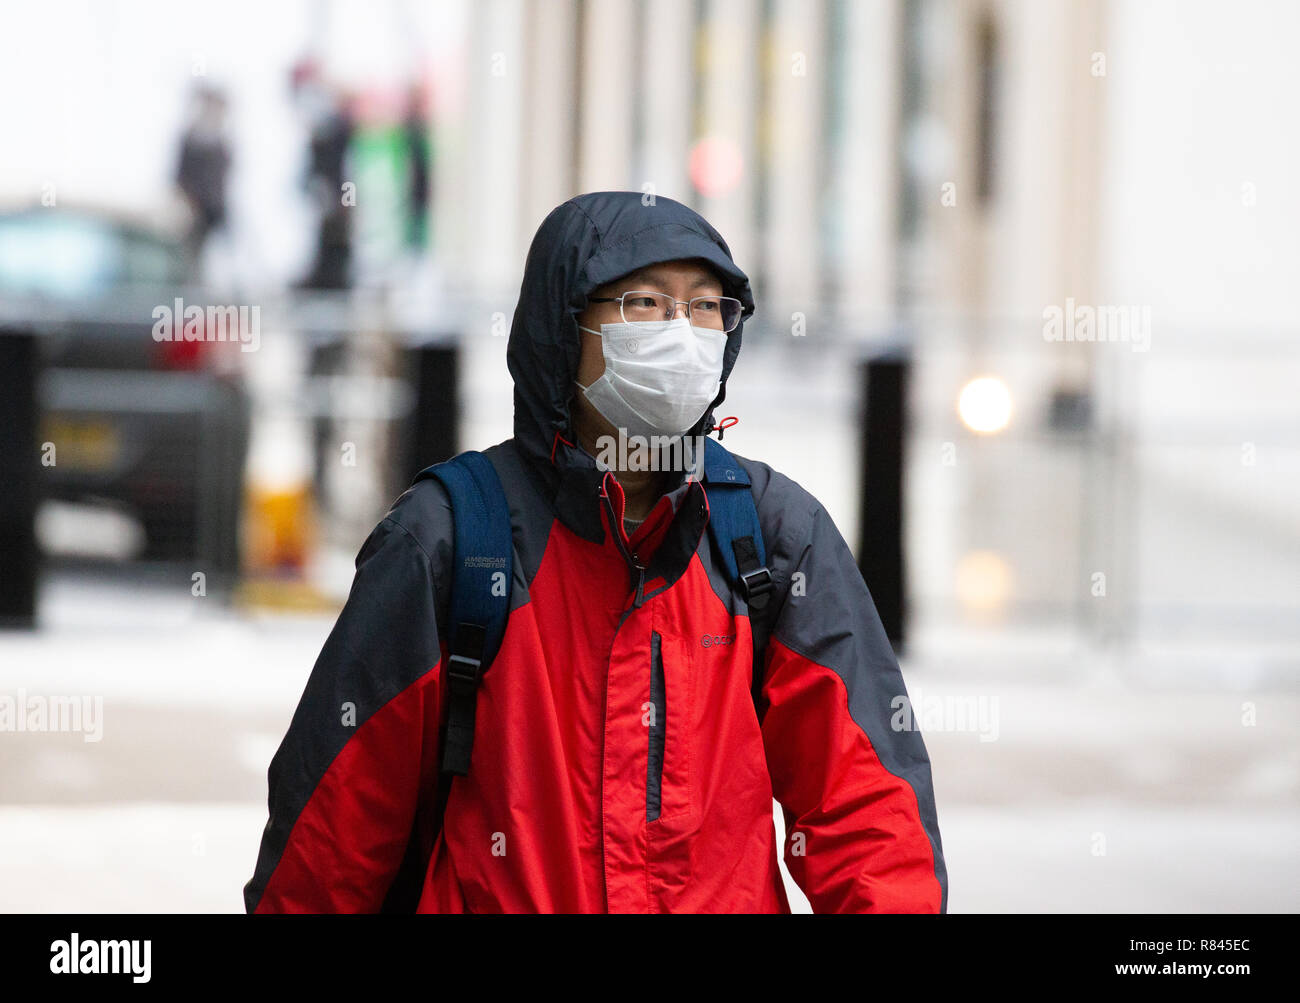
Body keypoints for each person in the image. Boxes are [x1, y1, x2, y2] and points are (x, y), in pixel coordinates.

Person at [243, 191, 948, 913]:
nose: (682, 331)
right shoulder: (450, 538)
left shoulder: (773, 536)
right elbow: (330, 840)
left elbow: (868, 817)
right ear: (563, 326)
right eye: (644, 303)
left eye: (707, 307)